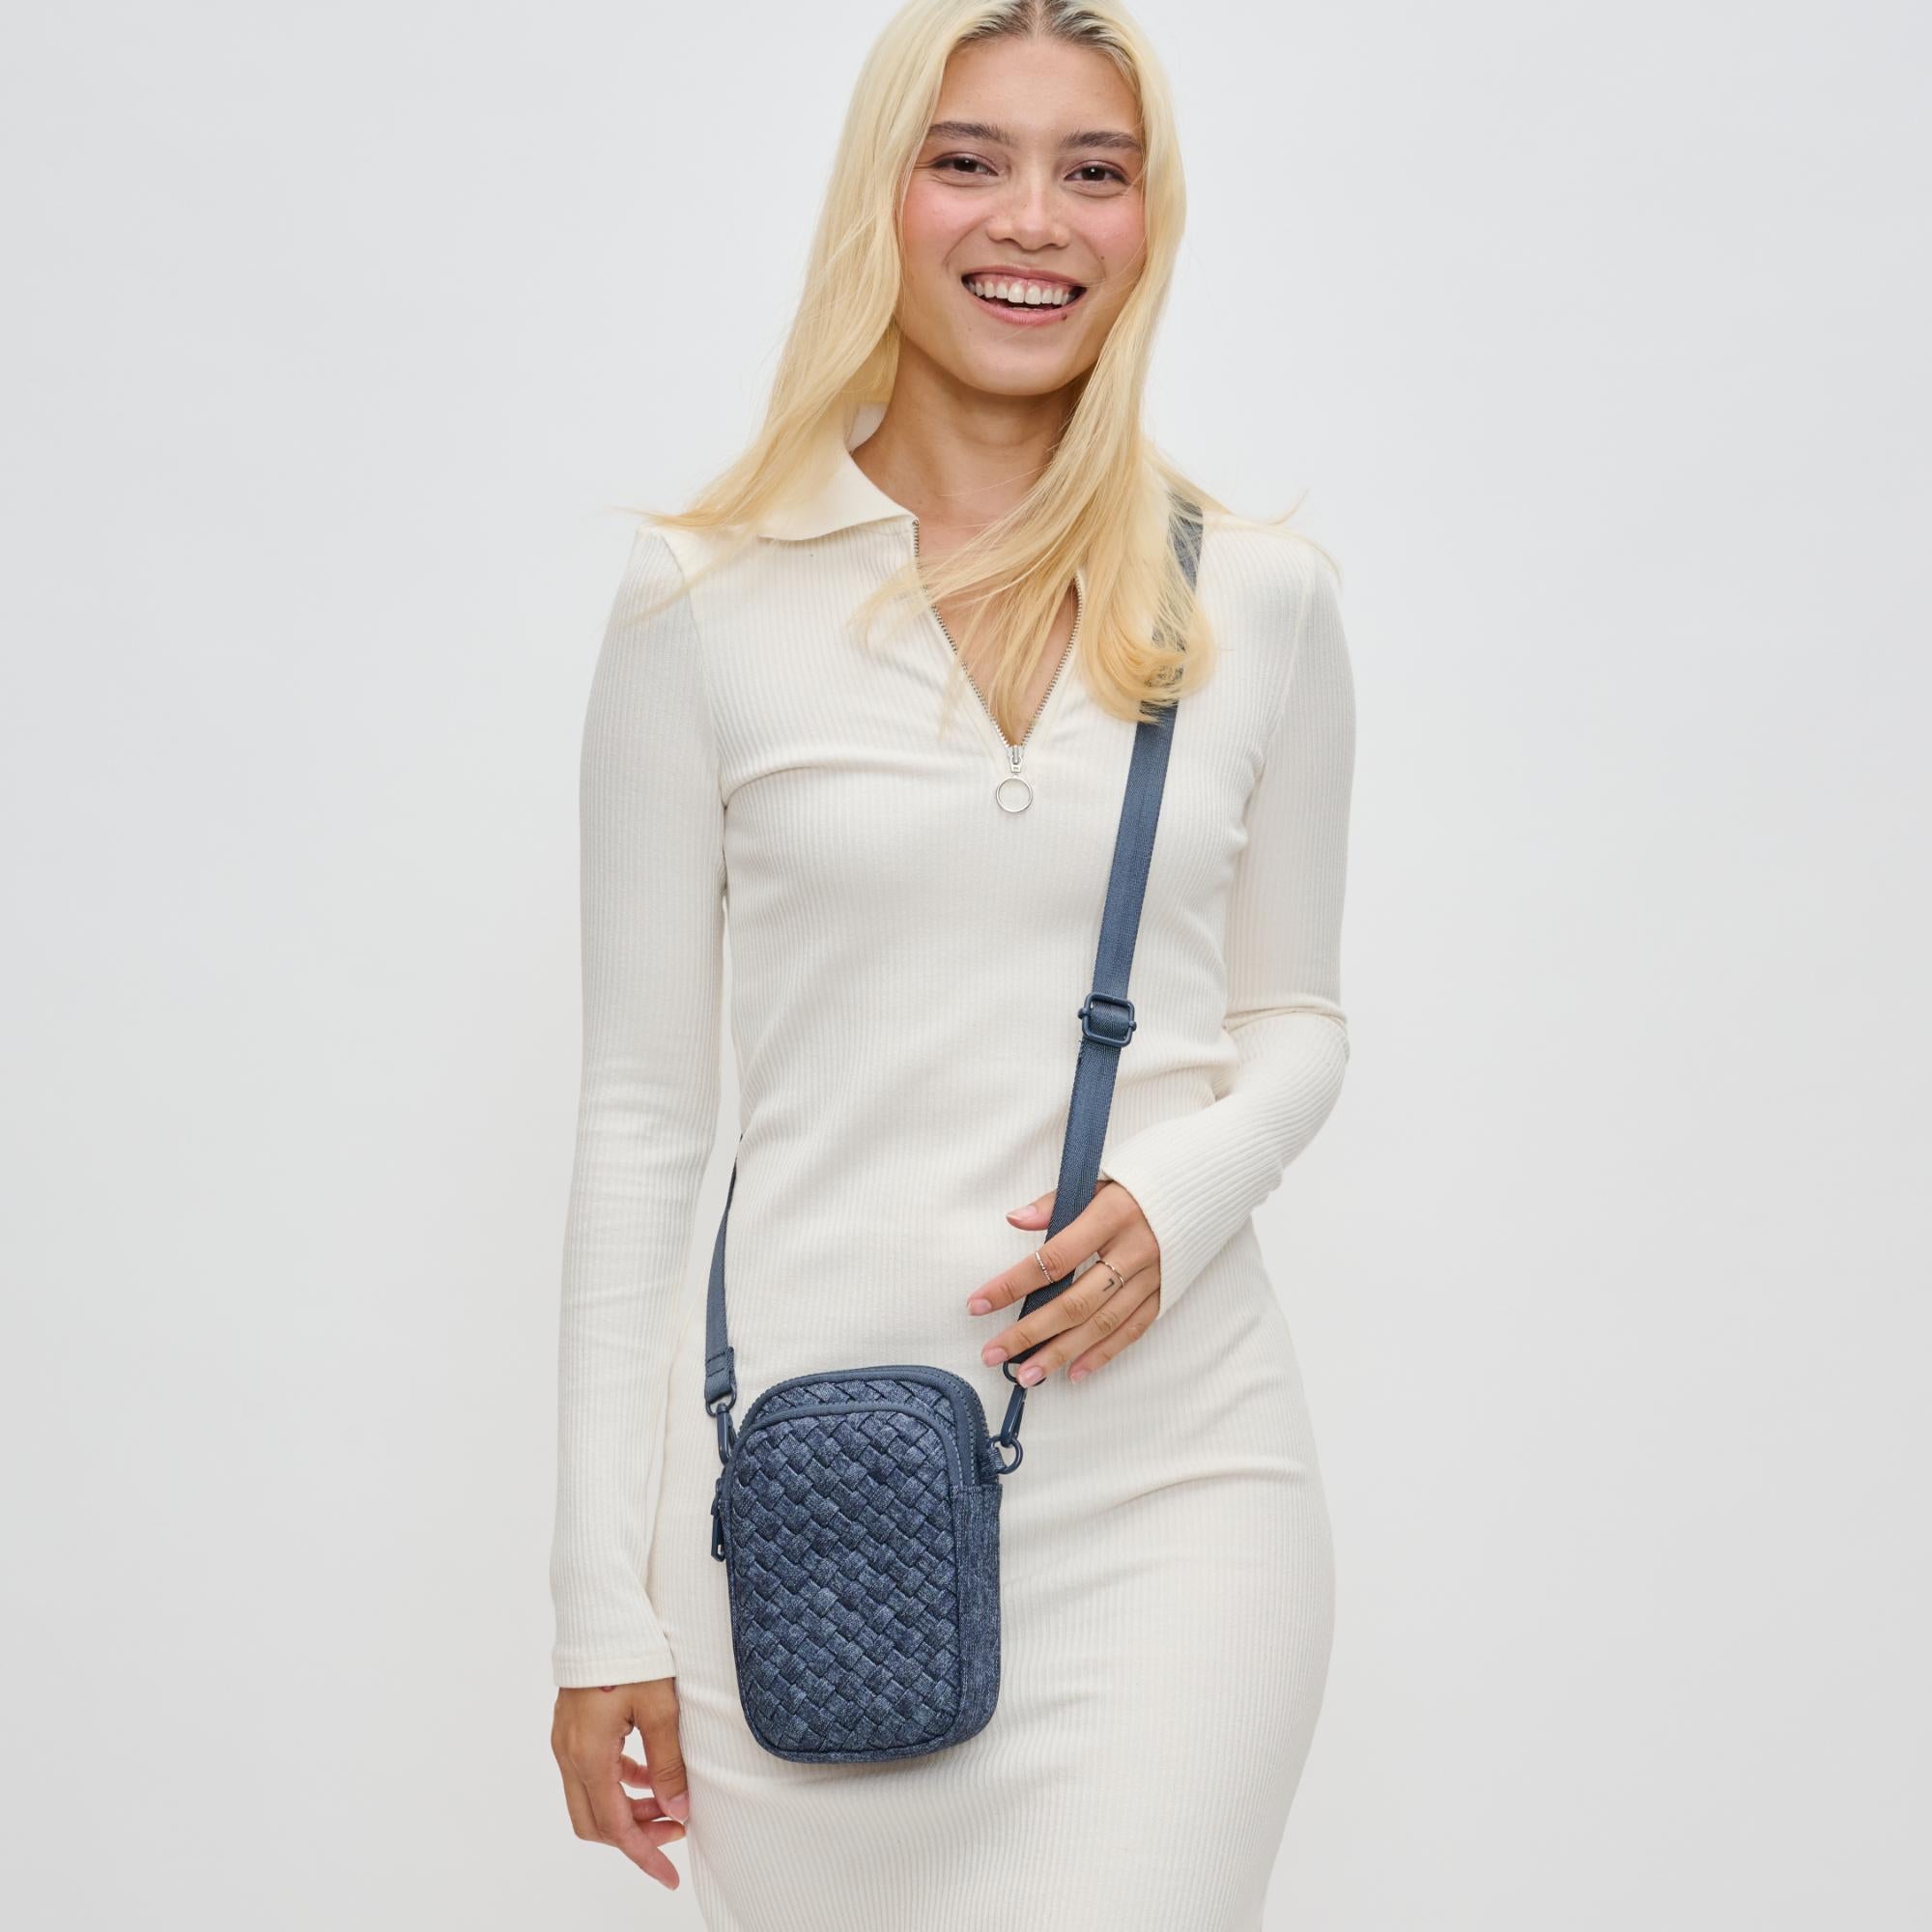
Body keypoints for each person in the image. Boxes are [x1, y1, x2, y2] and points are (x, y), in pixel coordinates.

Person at [548, 3, 1357, 1925]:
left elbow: (1299, 1024)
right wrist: (597, 1597)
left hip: (1171, 1488)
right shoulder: (703, 600)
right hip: (810, 1507)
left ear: (1150, 220)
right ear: (881, 198)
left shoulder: (1257, 599)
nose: (1036, 219)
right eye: (970, 159)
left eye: (1097, 171)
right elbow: (643, 1115)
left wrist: (1182, 1190)